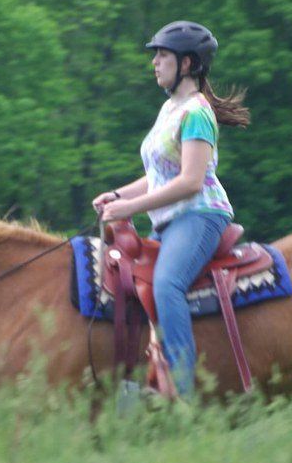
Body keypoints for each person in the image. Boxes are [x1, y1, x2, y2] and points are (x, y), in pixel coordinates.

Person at [92, 21, 250, 397]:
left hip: (200, 215)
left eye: (163, 55)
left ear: (187, 64)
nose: (155, 63)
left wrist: (131, 207)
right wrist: (116, 195)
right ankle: (138, 378)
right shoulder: (169, 108)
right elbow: (160, 176)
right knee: (132, 284)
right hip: (169, 220)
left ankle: (182, 392)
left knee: (167, 284)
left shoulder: (197, 113)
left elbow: (190, 181)